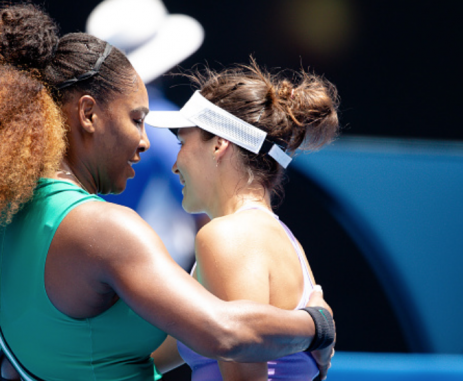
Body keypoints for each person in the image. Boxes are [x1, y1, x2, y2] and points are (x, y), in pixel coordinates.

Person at [0, 4, 334, 381]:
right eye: (137, 119)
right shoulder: (106, 229)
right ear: (89, 114)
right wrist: (318, 326)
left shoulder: (9, 219)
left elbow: (97, 355)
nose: (149, 142)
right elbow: (227, 333)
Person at [146, 61, 340, 380]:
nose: (175, 164)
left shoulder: (227, 237)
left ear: (219, 145)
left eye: (183, 143)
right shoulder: (284, 240)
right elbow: (147, 362)